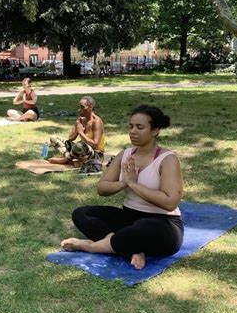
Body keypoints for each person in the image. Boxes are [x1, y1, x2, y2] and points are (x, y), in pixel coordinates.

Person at [61, 105, 184, 270]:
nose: (133, 131)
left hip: (162, 223)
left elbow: (170, 203)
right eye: (131, 126)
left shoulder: (167, 159)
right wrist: (124, 183)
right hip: (129, 217)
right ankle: (132, 249)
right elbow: (102, 188)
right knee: (82, 214)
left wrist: (134, 183)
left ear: (155, 131)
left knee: (144, 228)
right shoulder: (124, 155)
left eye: (140, 127)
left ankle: (91, 246)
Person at [48, 96, 105, 172]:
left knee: (79, 145)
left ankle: (65, 160)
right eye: (79, 107)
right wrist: (77, 129)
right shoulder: (80, 120)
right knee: (54, 138)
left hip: (96, 155)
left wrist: (81, 132)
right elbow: (70, 139)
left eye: (82, 107)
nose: (79, 110)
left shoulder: (96, 122)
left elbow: (95, 144)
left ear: (90, 107)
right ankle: (72, 161)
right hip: (80, 152)